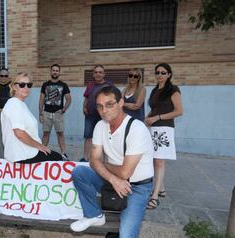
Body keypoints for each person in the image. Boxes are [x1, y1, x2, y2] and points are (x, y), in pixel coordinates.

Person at [70, 85, 154, 237]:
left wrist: (103, 165)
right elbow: (93, 160)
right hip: (112, 180)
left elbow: (125, 171)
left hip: (137, 188)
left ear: (121, 103)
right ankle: (94, 215)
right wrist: (113, 179)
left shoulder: (137, 129)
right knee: (79, 172)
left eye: (109, 104)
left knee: (126, 234)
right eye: (100, 106)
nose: (104, 110)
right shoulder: (100, 126)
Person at [1, 72, 63, 163]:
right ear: (14, 87)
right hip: (24, 154)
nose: (26, 88)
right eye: (22, 85)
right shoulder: (14, 104)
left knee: (56, 158)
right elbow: (19, 133)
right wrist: (40, 146)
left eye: (28, 85)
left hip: (26, 152)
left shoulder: (20, 104)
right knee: (58, 159)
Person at [145, 63, 183, 209]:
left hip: (164, 129)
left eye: (163, 72)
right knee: (154, 159)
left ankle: (154, 196)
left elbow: (179, 111)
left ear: (169, 74)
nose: (160, 75)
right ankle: (161, 189)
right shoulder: (155, 90)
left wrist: (158, 117)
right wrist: (146, 119)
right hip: (152, 128)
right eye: (157, 72)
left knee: (159, 161)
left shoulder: (173, 89)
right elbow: (154, 109)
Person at [39, 64, 71, 159]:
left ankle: (63, 153)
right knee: (45, 133)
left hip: (58, 114)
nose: (55, 72)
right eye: (53, 70)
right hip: (46, 113)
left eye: (57, 70)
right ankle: (42, 153)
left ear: (59, 72)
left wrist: (64, 109)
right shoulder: (45, 85)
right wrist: (40, 113)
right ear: (50, 71)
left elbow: (69, 99)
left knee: (60, 133)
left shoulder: (63, 85)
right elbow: (41, 99)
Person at [81, 65, 113, 162]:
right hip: (90, 115)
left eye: (100, 72)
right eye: (96, 72)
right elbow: (86, 97)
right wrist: (84, 106)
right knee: (88, 136)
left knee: (105, 137)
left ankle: (104, 160)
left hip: (103, 116)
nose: (98, 74)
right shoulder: (91, 84)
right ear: (93, 74)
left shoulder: (109, 85)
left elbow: (113, 99)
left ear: (104, 74)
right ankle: (85, 158)